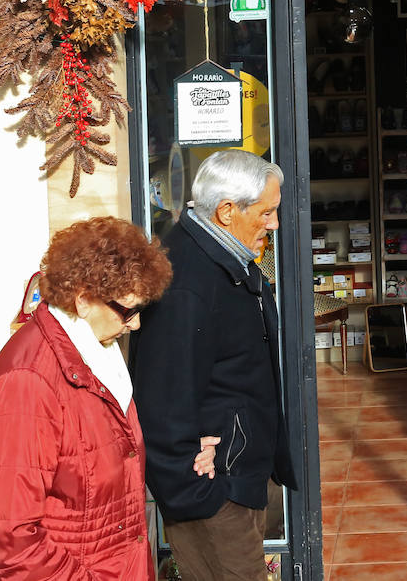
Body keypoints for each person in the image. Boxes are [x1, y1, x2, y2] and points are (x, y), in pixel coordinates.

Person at [0, 216, 215, 580]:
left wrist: (185, 449)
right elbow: (10, 537)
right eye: (127, 311)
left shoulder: (98, 355)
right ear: (82, 300)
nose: (136, 325)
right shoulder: (27, 383)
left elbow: (104, 453)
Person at [130, 149, 298, 581]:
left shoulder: (221, 260)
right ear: (226, 211)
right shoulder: (188, 281)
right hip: (213, 494)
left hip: (233, 478)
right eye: (266, 213)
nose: (274, 224)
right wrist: (199, 494)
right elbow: (160, 399)